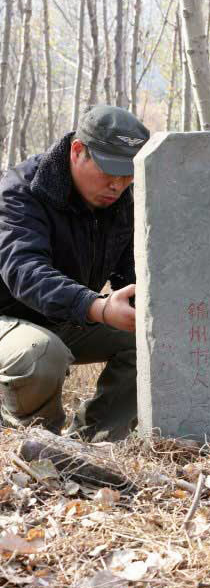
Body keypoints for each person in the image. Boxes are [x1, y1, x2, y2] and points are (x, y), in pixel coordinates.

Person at [0, 105, 150, 442]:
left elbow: (131, 274)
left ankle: (95, 443)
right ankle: (39, 443)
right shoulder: (20, 190)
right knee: (39, 354)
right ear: (77, 151)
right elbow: (25, 271)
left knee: (151, 337)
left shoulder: (120, 200)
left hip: (65, 317)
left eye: (128, 175)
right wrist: (97, 306)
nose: (117, 184)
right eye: (109, 171)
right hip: (8, 319)